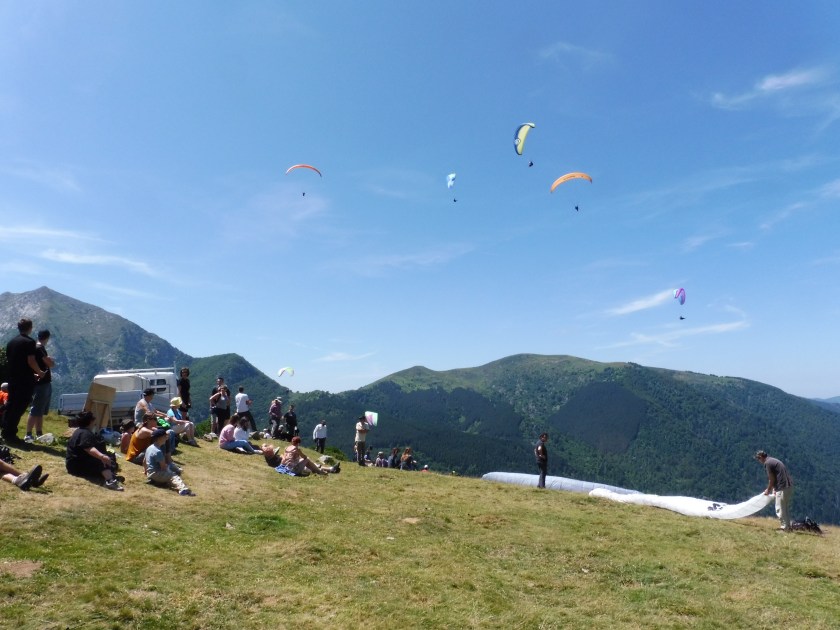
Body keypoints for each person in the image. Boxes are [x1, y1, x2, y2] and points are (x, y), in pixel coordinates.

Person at [3, 318, 45, 444]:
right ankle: (11, 434)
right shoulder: (29, 342)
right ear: (30, 328)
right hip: (24, 381)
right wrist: (39, 372)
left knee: (11, 405)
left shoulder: (11, 342)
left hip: (13, 378)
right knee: (20, 406)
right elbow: (31, 361)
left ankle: (5, 431)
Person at [66, 411, 124, 490]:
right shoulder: (85, 434)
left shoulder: (79, 431)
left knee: (107, 459)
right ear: (90, 421)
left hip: (73, 464)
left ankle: (110, 476)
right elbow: (89, 449)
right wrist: (102, 456)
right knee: (101, 460)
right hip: (77, 466)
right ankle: (110, 481)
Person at [24, 329, 55, 443]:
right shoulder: (40, 348)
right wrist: (51, 361)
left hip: (39, 382)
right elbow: (49, 363)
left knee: (39, 410)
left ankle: (38, 433)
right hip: (42, 383)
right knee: (36, 409)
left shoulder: (35, 347)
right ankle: (28, 434)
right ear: (47, 338)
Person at [145, 428, 192, 495]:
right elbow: (163, 467)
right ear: (160, 438)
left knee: (168, 475)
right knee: (174, 476)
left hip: (150, 473)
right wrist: (170, 471)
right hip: (156, 473)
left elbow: (144, 461)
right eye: (165, 436)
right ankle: (183, 489)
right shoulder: (158, 451)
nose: (166, 438)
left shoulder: (150, 448)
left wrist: (146, 472)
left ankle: (156, 481)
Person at [755, 450, 794, 531]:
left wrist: (768, 490)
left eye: (758, 459)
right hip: (789, 486)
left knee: (779, 508)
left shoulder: (767, 463)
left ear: (761, 457)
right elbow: (777, 476)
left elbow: (771, 479)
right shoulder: (773, 460)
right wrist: (775, 488)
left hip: (782, 487)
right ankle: (788, 527)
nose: (759, 461)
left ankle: (784, 528)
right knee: (785, 508)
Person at [261, 436, 339, 476]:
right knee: (307, 460)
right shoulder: (296, 450)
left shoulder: (286, 448)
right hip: (292, 468)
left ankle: (330, 469)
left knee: (309, 464)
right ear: (298, 443)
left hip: (290, 465)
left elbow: (263, 446)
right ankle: (321, 471)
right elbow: (304, 458)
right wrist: (299, 454)